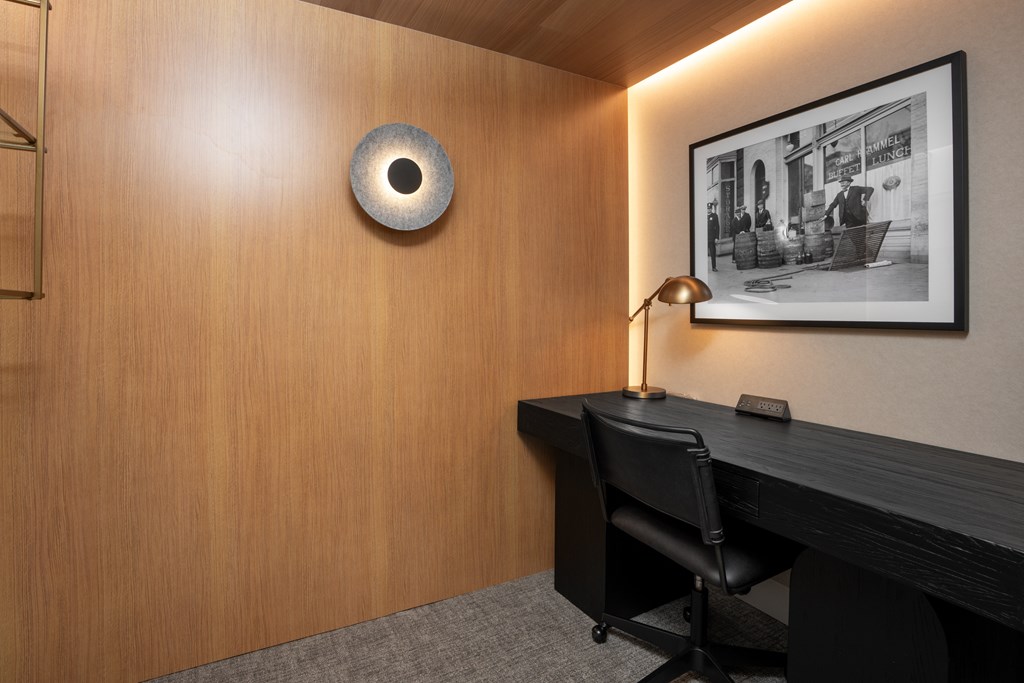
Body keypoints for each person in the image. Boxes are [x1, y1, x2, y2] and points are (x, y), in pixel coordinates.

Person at [824, 175, 875, 261]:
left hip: (859, 217)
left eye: (843, 182)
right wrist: (826, 215)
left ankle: (862, 254)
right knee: (853, 237)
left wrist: (865, 200)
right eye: (841, 182)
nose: (841, 184)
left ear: (848, 182)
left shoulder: (856, 189)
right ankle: (867, 252)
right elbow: (833, 204)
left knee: (861, 237)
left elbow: (870, 189)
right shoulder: (839, 195)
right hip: (848, 220)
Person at [707, 203, 720, 272]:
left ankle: (714, 267)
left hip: (712, 238)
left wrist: (716, 237)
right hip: (704, 239)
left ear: (711, 209)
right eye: (707, 208)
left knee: (712, 253)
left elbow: (717, 227)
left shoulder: (714, 216)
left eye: (709, 208)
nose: (708, 210)